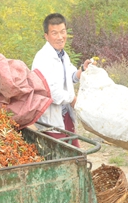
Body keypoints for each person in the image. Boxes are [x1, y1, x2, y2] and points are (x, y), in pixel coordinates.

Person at [32, 13, 92, 148]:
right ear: (46, 36)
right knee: (60, 154)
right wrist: (73, 99)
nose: (60, 37)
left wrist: (82, 70)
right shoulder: (42, 59)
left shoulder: (62, 55)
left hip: (65, 115)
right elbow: (51, 92)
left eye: (63, 32)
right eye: (54, 33)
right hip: (50, 120)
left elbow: (70, 76)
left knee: (75, 153)